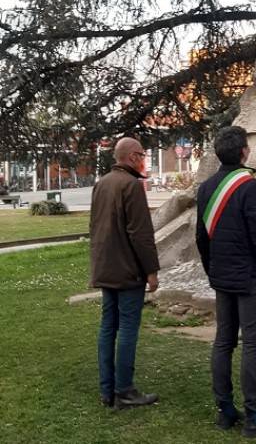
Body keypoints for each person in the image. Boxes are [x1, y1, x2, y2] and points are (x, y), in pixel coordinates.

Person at [196, 125, 256, 437]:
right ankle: (255, 417)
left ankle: (224, 410)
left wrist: (213, 272)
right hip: (250, 280)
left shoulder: (207, 187)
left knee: (223, 342)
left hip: (223, 278)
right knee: (252, 345)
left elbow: (202, 238)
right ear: (243, 152)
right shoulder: (250, 187)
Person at [89, 137, 160, 409]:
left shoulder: (102, 183)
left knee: (108, 327)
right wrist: (151, 271)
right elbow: (141, 234)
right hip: (128, 270)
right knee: (128, 328)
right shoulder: (131, 185)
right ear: (132, 157)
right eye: (142, 154)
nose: (144, 159)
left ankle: (107, 390)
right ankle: (125, 390)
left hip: (107, 267)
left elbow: (96, 227)